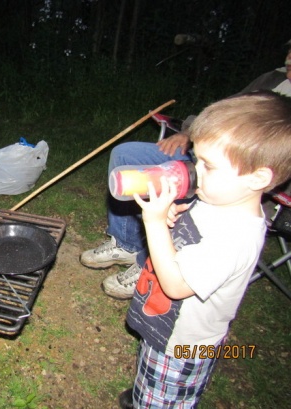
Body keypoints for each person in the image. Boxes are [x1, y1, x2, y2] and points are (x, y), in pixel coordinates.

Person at [117, 91, 291, 408]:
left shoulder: (237, 235)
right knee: (152, 367)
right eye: (197, 158)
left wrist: (154, 224)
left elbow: (176, 285)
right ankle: (148, 391)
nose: (196, 169)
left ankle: (155, 399)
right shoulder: (220, 200)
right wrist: (173, 219)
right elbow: (195, 232)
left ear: (258, 178)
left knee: (166, 395)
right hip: (167, 330)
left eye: (208, 165)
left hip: (184, 345)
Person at [81, 39, 291, 300]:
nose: (289, 62)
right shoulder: (271, 79)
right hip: (214, 155)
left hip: (242, 180)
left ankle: (149, 266)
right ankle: (126, 244)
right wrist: (189, 134)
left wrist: (156, 221)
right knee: (125, 154)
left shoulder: (237, 232)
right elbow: (225, 112)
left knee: (190, 193)